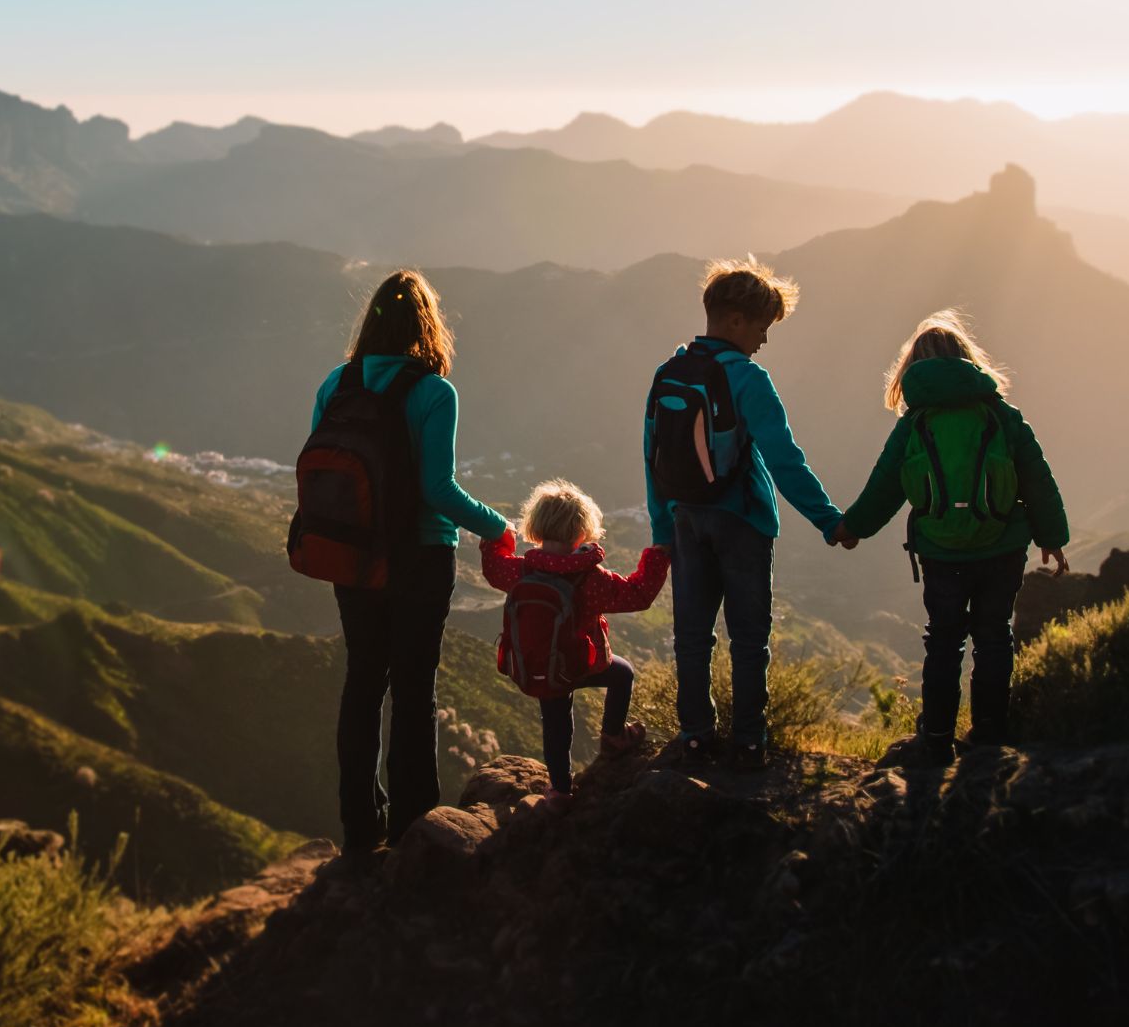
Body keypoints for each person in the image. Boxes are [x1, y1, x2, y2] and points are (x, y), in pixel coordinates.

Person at [310, 270, 510, 859]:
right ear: (427, 325)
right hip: (419, 557)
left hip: (352, 557)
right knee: (414, 689)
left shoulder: (336, 383)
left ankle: (358, 828)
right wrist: (498, 527)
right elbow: (438, 489)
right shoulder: (433, 392)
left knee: (363, 681)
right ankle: (413, 829)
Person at [832, 310, 1069, 768]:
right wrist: (1052, 536)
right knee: (994, 638)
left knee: (943, 642)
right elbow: (1037, 478)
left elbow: (885, 486)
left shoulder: (915, 423)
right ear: (967, 359)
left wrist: (851, 529)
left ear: (912, 368)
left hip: (941, 552)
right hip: (1002, 547)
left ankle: (937, 740)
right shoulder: (1000, 413)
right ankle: (989, 740)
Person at [642, 257, 845, 771]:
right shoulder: (749, 378)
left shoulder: (670, 372)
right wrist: (828, 520)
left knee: (692, 634)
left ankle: (694, 737)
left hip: (686, 518)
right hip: (743, 521)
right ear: (735, 320)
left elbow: (652, 455)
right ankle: (750, 743)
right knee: (749, 637)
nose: (764, 339)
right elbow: (783, 459)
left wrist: (662, 529)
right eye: (762, 326)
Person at [479, 480, 666, 799]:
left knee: (556, 725)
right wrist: (658, 555)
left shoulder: (522, 571)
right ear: (582, 531)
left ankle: (560, 792)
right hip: (583, 664)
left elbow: (493, 568)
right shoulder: (589, 578)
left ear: (536, 526)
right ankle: (613, 736)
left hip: (541, 667)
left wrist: (498, 537)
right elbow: (639, 594)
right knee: (623, 674)